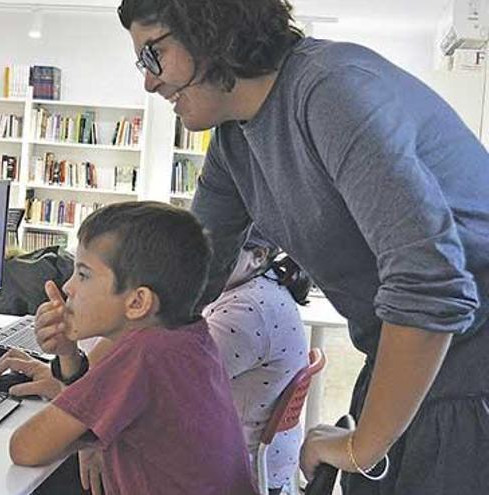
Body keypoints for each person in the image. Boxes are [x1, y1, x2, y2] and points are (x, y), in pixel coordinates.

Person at [116, 1, 489, 493]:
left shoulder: (331, 89)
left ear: (212, 31)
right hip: (408, 361)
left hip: (469, 372)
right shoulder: (234, 141)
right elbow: (188, 279)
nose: (149, 81)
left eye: (154, 55)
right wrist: (86, 374)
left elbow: (431, 284)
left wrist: (363, 446)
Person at [4, 201, 257, 495]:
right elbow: (89, 416)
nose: (68, 287)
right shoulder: (189, 338)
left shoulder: (146, 355)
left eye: (83, 274)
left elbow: (25, 448)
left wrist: (86, 436)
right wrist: (67, 353)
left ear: (137, 303)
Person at [204, 229, 309, 492]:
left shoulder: (247, 311)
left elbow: (181, 380)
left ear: (258, 256)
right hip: (270, 460)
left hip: (240, 466)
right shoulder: (262, 286)